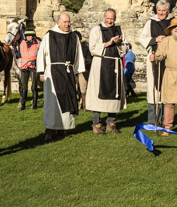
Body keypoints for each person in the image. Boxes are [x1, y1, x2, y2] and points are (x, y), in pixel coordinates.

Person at [37, 12, 86, 141]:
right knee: (52, 102)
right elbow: (41, 53)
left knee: (67, 99)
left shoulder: (74, 37)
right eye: (64, 22)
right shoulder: (50, 36)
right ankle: (50, 129)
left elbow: (77, 55)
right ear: (58, 22)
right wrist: (41, 72)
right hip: (53, 72)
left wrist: (76, 72)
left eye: (69, 22)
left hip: (68, 72)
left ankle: (63, 128)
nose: (67, 24)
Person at [86, 8, 126, 134]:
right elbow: (92, 48)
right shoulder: (96, 30)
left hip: (115, 64)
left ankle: (111, 122)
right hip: (101, 64)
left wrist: (119, 44)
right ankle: (96, 124)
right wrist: (107, 43)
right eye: (108, 18)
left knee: (114, 95)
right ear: (104, 18)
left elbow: (125, 49)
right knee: (98, 94)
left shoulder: (119, 30)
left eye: (112, 19)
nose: (110, 21)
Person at [140, 0, 171, 125]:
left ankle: (165, 119)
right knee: (153, 88)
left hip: (169, 59)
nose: (161, 13)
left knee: (166, 89)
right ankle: (153, 120)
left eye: (164, 10)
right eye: (159, 10)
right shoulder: (150, 23)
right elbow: (142, 38)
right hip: (154, 58)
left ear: (168, 11)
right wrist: (155, 39)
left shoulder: (173, 22)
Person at [16, 27, 40, 110]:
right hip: (24, 66)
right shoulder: (22, 43)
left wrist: (36, 60)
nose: (29, 37)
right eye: (27, 35)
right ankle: (23, 104)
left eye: (31, 35)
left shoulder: (38, 43)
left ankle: (34, 104)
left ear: (33, 36)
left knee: (34, 86)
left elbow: (41, 55)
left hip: (33, 66)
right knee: (23, 86)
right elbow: (19, 54)